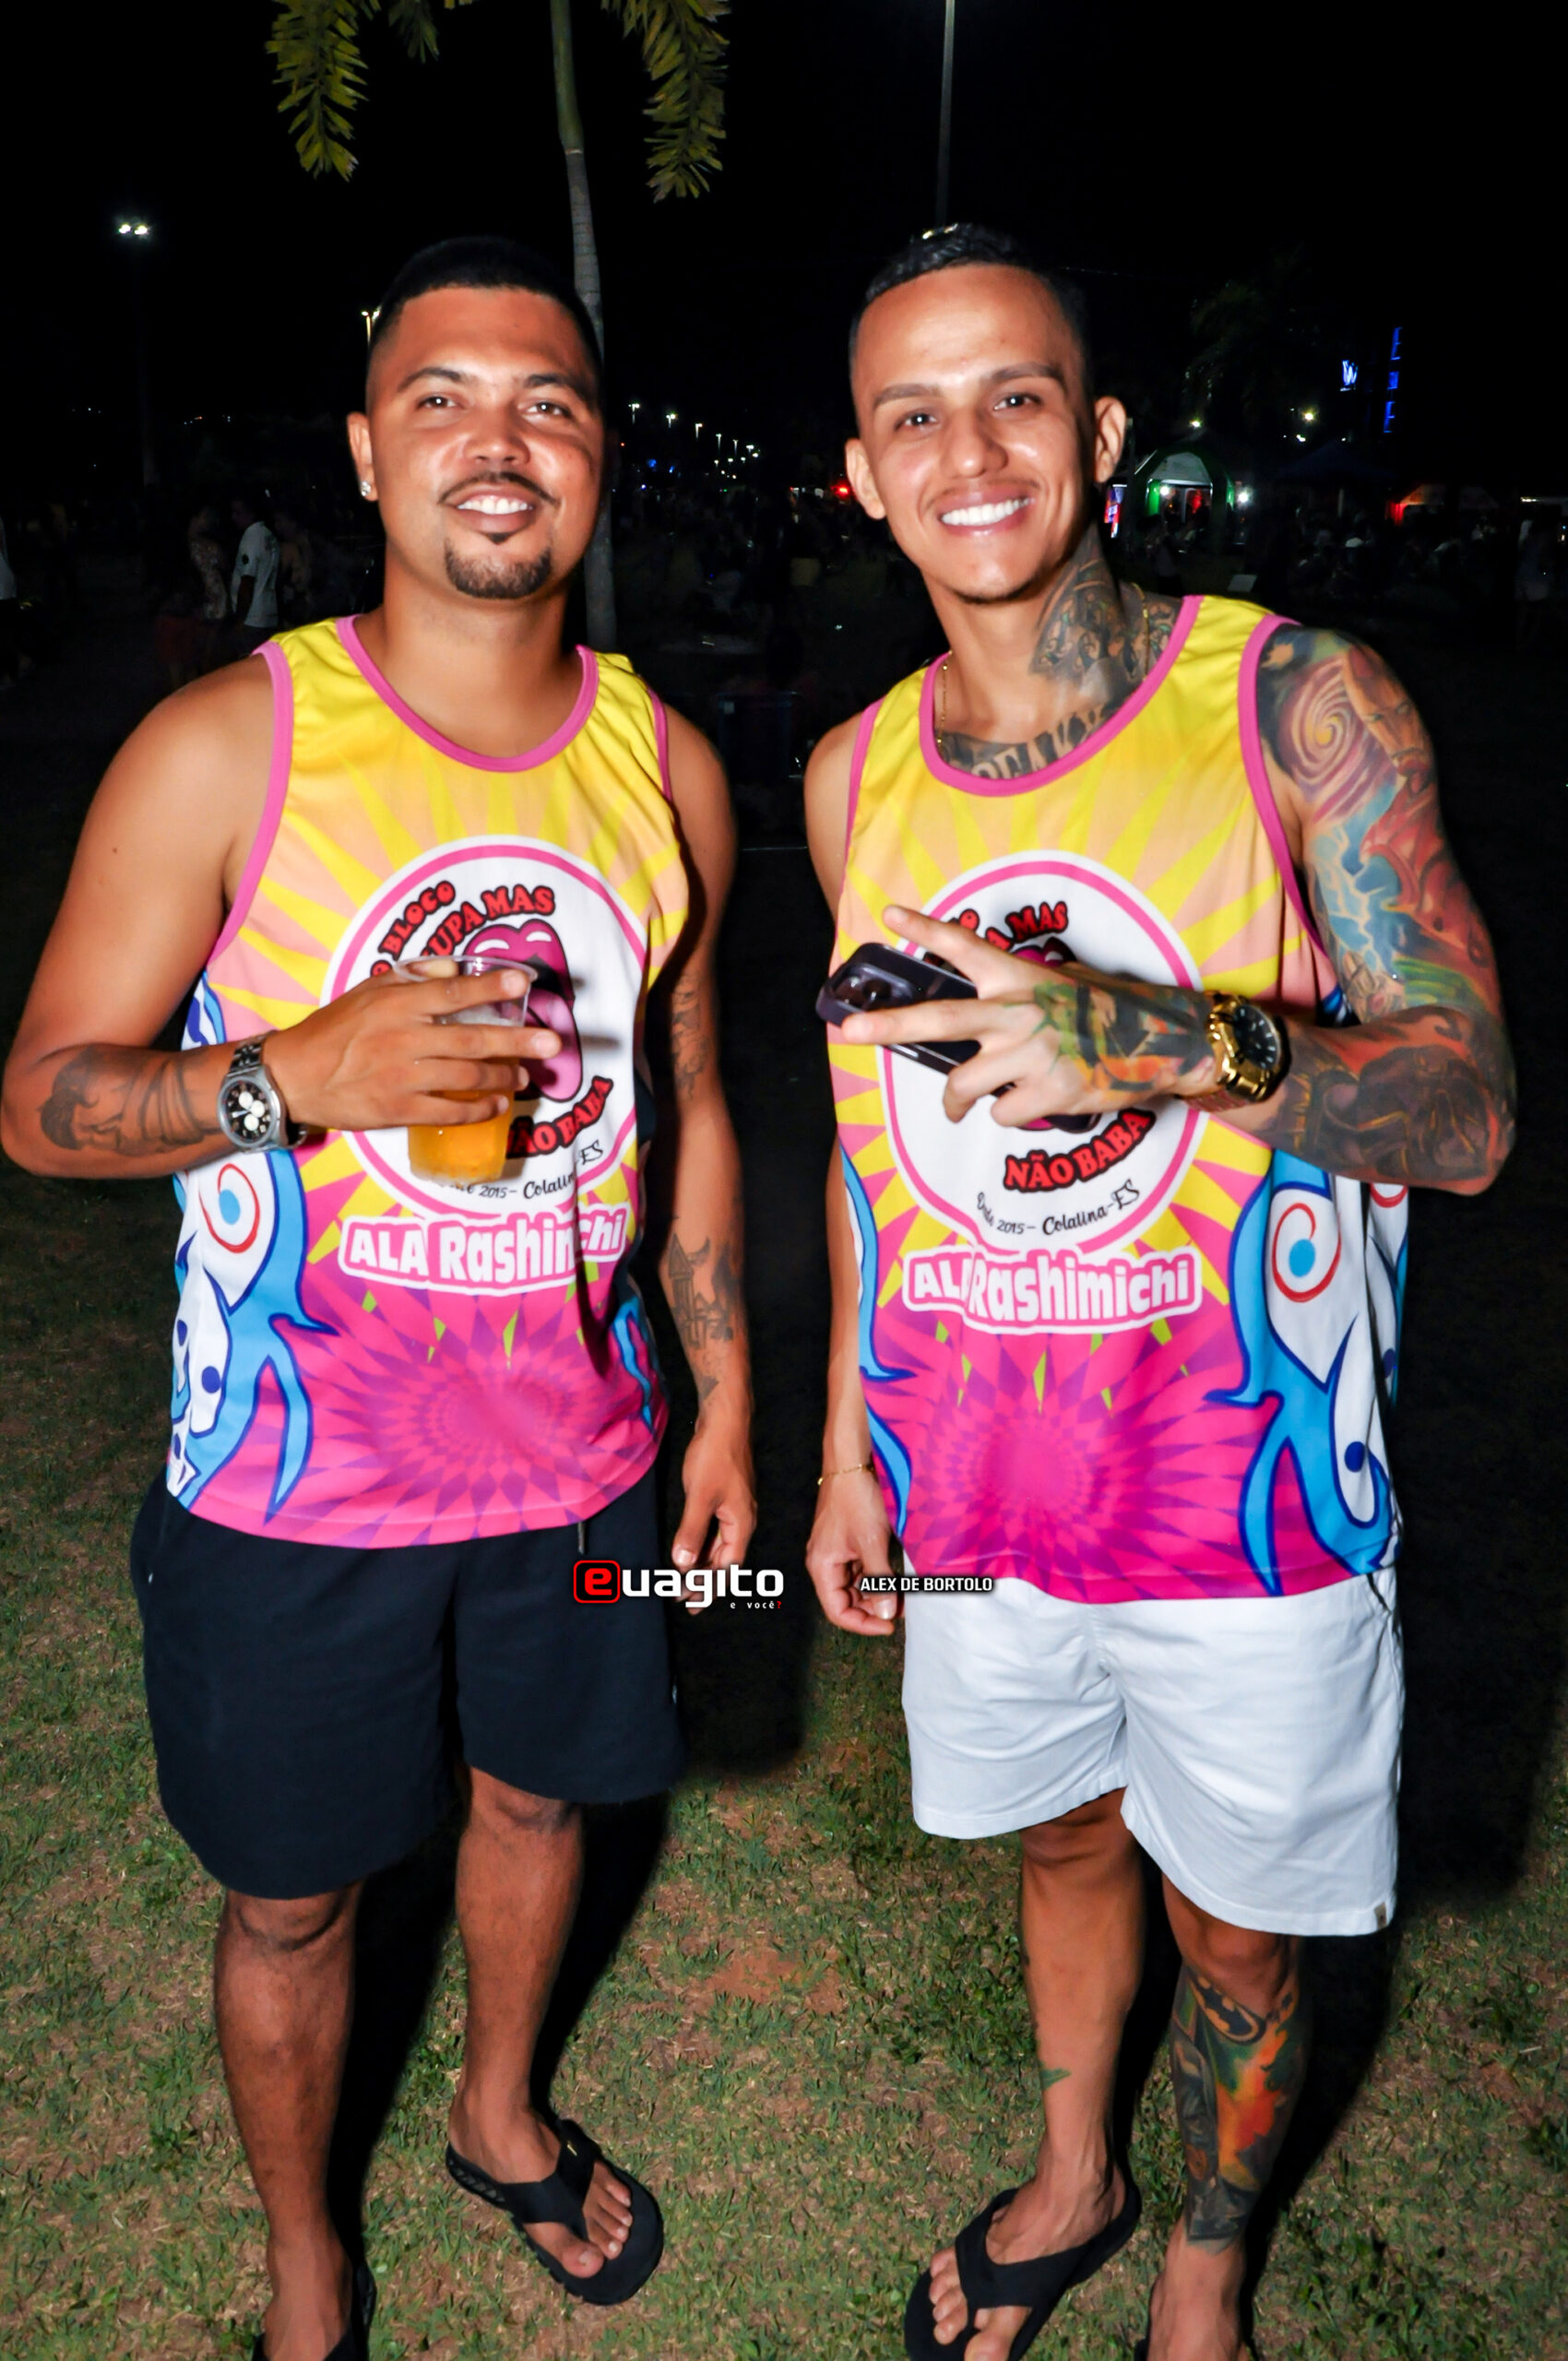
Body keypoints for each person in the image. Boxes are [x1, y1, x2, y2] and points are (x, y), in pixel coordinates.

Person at [1, 236, 754, 2361]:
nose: (497, 440)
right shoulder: (224, 745)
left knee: (543, 1798)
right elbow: (44, 1100)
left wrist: (721, 1405)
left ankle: (500, 2119)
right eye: (442, 396)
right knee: (292, 1896)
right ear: (361, 450)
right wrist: (289, 1077)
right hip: (288, 1491)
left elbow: (692, 1099)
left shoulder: (670, 770)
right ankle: (306, 2262)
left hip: (585, 1474)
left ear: (599, 456)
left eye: (546, 400)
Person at [802, 225, 1514, 2361]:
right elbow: (866, 1148)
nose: (968, 452)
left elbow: (1466, 1107)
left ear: (1097, 431)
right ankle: (1070, 2171)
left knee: (1239, 1929)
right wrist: (843, 1448)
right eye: (913, 415)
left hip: (1246, 1494)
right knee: (1057, 1841)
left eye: (1011, 394)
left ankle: (1200, 2255)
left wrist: (1152, 1038)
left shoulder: (1294, 702)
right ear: (861, 475)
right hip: (976, 1487)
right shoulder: (851, 773)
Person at [230, 488, 281, 645]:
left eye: (238, 513)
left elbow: (247, 580)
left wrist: (240, 620)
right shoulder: (269, 535)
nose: (233, 517)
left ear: (250, 513)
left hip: (252, 618)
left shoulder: (251, 537)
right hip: (269, 614)